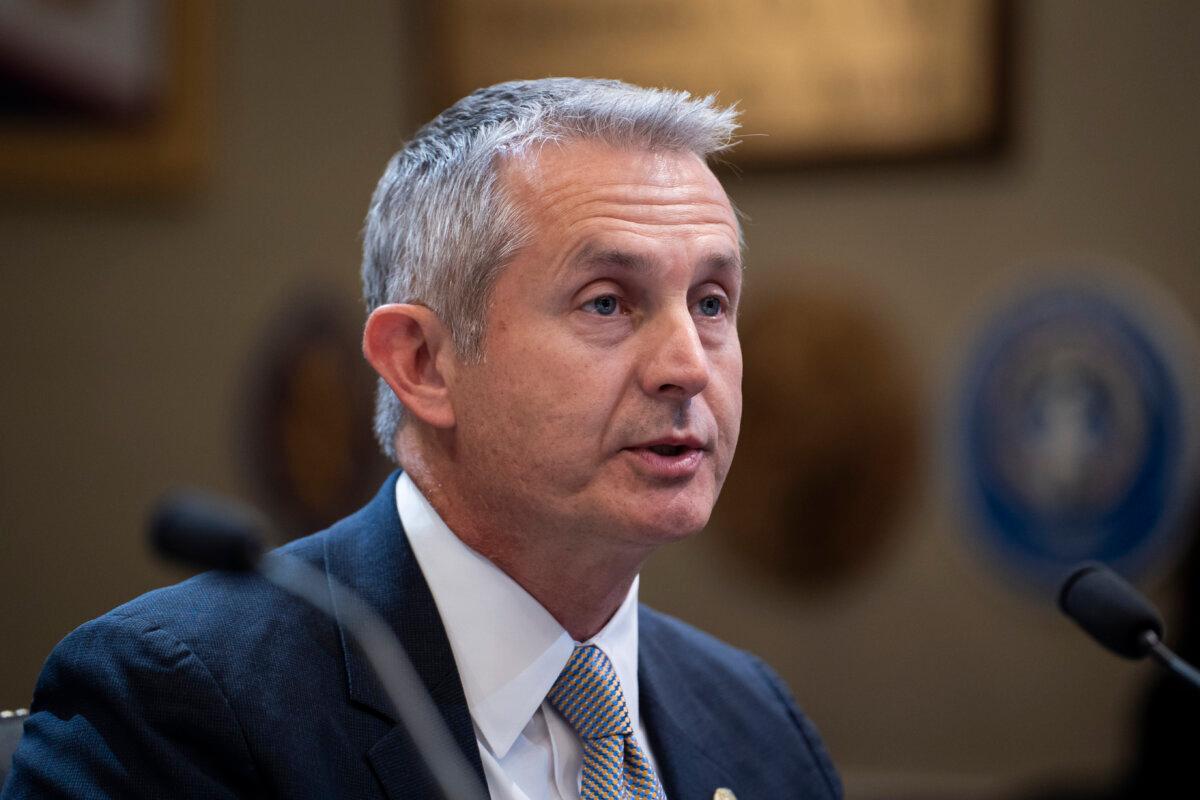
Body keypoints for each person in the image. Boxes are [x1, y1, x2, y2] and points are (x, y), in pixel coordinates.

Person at [2, 78, 841, 799]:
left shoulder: (758, 726)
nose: (687, 368)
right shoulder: (179, 705)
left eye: (710, 302)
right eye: (607, 302)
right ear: (423, 363)